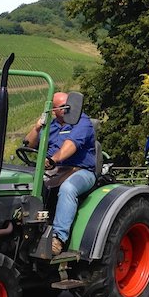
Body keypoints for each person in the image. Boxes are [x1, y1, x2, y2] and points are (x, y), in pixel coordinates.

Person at [24, 92, 96, 256]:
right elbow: (29, 143)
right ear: (53, 110)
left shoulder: (82, 121)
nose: (67, 109)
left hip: (80, 171)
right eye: (62, 107)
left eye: (68, 105)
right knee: (28, 184)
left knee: (68, 188)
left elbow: (71, 144)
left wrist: (53, 159)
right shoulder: (52, 125)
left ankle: (58, 238)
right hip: (54, 171)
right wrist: (37, 127)